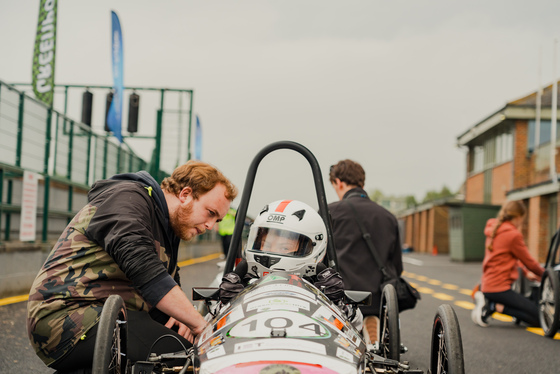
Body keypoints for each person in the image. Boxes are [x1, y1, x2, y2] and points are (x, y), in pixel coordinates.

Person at [27, 160, 237, 373]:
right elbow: (143, 267)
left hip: (106, 312)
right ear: (185, 194)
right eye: (210, 212)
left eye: (218, 220)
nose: (211, 226)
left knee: (179, 339)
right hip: (65, 315)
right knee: (180, 356)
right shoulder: (129, 198)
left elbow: (167, 282)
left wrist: (183, 315)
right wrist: (202, 327)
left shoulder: (167, 226)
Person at [218, 199, 363, 329]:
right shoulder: (239, 282)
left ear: (314, 246)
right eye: (265, 245)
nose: (272, 251)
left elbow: (356, 325)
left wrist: (338, 303)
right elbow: (207, 327)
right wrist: (224, 303)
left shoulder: (322, 284)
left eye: (284, 247)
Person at [328, 160, 403, 345]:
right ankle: (373, 327)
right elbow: (397, 266)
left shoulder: (330, 212)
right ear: (362, 183)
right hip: (379, 299)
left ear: (338, 182)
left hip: (342, 298)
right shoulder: (388, 217)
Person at [471, 200, 545, 327]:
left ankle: (492, 304)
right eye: (523, 218)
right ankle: (493, 305)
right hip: (499, 288)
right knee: (540, 319)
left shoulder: (494, 229)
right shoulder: (513, 235)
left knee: (530, 311)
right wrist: (547, 276)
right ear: (518, 217)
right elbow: (530, 262)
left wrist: (526, 273)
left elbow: (509, 257)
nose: (522, 222)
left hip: (487, 285)